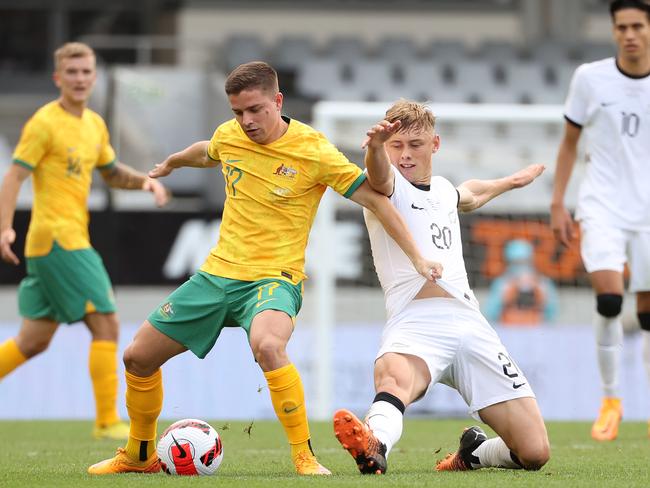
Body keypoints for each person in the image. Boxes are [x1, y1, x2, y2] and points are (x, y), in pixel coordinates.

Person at [88, 61, 440, 476]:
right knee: (137, 358)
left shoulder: (314, 150)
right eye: (238, 112)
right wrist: (173, 162)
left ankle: (304, 456)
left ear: (278, 101)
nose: (246, 121)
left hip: (275, 278)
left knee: (269, 346)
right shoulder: (230, 135)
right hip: (217, 275)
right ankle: (138, 454)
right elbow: (207, 151)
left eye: (255, 110)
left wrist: (418, 257)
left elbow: (377, 198)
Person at [332, 100, 550, 474]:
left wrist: (511, 182)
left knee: (534, 452)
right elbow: (380, 174)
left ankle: (474, 454)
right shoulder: (385, 187)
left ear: (435, 144)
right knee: (396, 378)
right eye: (396, 145)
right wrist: (374, 147)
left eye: (414, 144)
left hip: (470, 323)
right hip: (417, 321)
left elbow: (472, 193)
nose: (405, 155)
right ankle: (375, 443)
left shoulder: (445, 190)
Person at [0, 42, 169, 439]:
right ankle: (107, 420)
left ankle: (106, 419)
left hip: (57, 244)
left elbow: (110, 172)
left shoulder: (93, 124)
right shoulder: (44, 123)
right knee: (106, 323)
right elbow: (14, 177)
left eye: (85, 72)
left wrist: (145, 181)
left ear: (94, 77)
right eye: (71, 72)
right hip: (60, 239)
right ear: (58, 78)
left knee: (33, 340)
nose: (79, 79)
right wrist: (4, 227)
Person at [550, 0, 650, 441]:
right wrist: (558, 203)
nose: (630, 34)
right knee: (610, 299)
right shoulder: (590, 78)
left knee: (648, 316)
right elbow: (570, 142)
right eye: (622, 27)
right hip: (603, 205)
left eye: (637, 27)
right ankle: (611, 400)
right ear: (613, 31)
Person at [484, 239, 558, 326]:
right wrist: (505, 299)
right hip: (508, 329)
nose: (520, 266)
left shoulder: (543, 283)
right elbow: (490, 314)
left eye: (524, 261)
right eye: (516, 262)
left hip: (536, 330)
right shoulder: (501, 283)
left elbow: (552, 315)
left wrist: (540, 296)